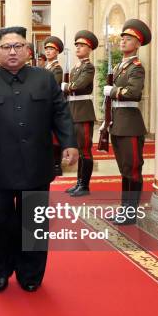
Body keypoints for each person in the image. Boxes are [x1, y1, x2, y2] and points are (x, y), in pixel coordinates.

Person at [0, 26, 78, 293]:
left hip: (36, 164)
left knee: (34, 221)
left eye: (18, 46)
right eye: (6, 47)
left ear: (28, 50)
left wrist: (69, 143)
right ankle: (1, 270)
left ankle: (30, 274)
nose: (12, 51)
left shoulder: (44, 79)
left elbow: (61, 113)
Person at [101, 19, 151, 225]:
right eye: (122, 38)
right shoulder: (121, 66)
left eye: (128, 39)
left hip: (130, 123)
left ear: (138, 44)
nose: (123, 41)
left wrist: (112, 91)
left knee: (132, 168)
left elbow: (134, 93)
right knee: (124, 169)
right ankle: (125, 209)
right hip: (118, 123)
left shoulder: (136, 67)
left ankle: (131, 212)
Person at [62, 30, 99, 197]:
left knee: (85, 150)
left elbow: (79, 85)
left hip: (83, 112)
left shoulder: (88, 67)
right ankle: (78, 182)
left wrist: (66, 87)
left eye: (81, 45)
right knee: (77, 148)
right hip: (73, 111)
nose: (78, 48)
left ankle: (84, 185)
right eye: (76, 45)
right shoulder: (77, 67)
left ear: (89, 48)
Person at [43, 36, 65, 176]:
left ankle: (57, 164)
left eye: (51, 49)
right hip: (44, 106)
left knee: (55, 137)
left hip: (52, 106)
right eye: (46, 49)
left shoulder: (56, 69)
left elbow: (53, 87)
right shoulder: (46, 67)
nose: (48, 51)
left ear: (57, 52)